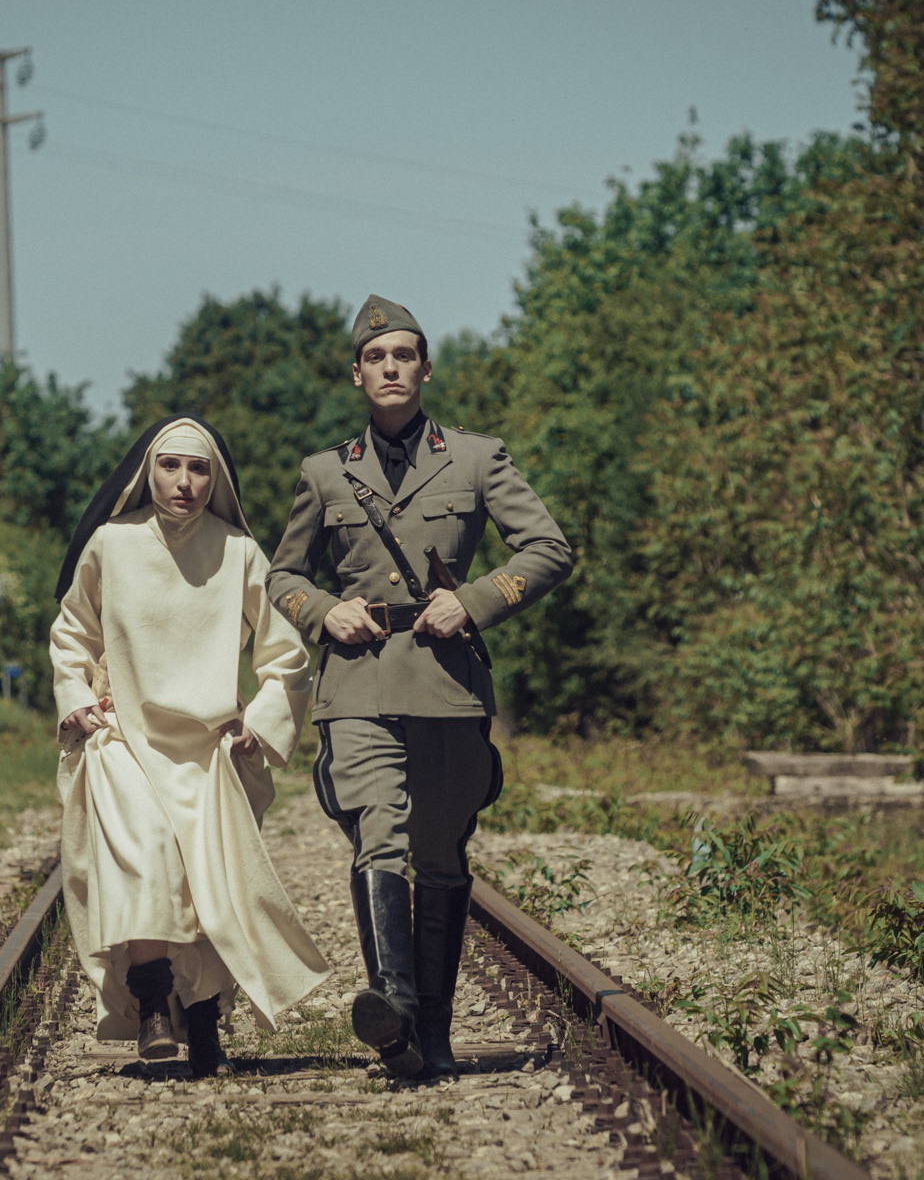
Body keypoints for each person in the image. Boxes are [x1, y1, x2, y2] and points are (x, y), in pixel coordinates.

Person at [266, 295, 573, 1079]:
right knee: (378, 834)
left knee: (439, 855)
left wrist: (473, 601)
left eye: (404, 355)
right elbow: (283, 576)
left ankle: (431, 1033)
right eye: (376, 358)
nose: (390, 367)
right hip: (358, 687)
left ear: (425, 369)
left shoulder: (476, 459)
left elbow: (547, 550)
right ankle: (393, 1008)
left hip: (446, 685)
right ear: (357, 374)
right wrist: (324, 612)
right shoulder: (325, 472)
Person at [49, 415, 331, 1079]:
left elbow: (286, 654)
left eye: (199, 469)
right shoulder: (110, 544)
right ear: (148, 472)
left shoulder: (240, 553)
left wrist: (260, 723)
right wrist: (77, 698)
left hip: (208, 751)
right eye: (171, 466)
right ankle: (152, 1005)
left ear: (217, 479)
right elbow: (72, 632)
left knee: (210, 889)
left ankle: (204, 1027)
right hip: (126, 740)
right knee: (147, 860)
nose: (184, 481)